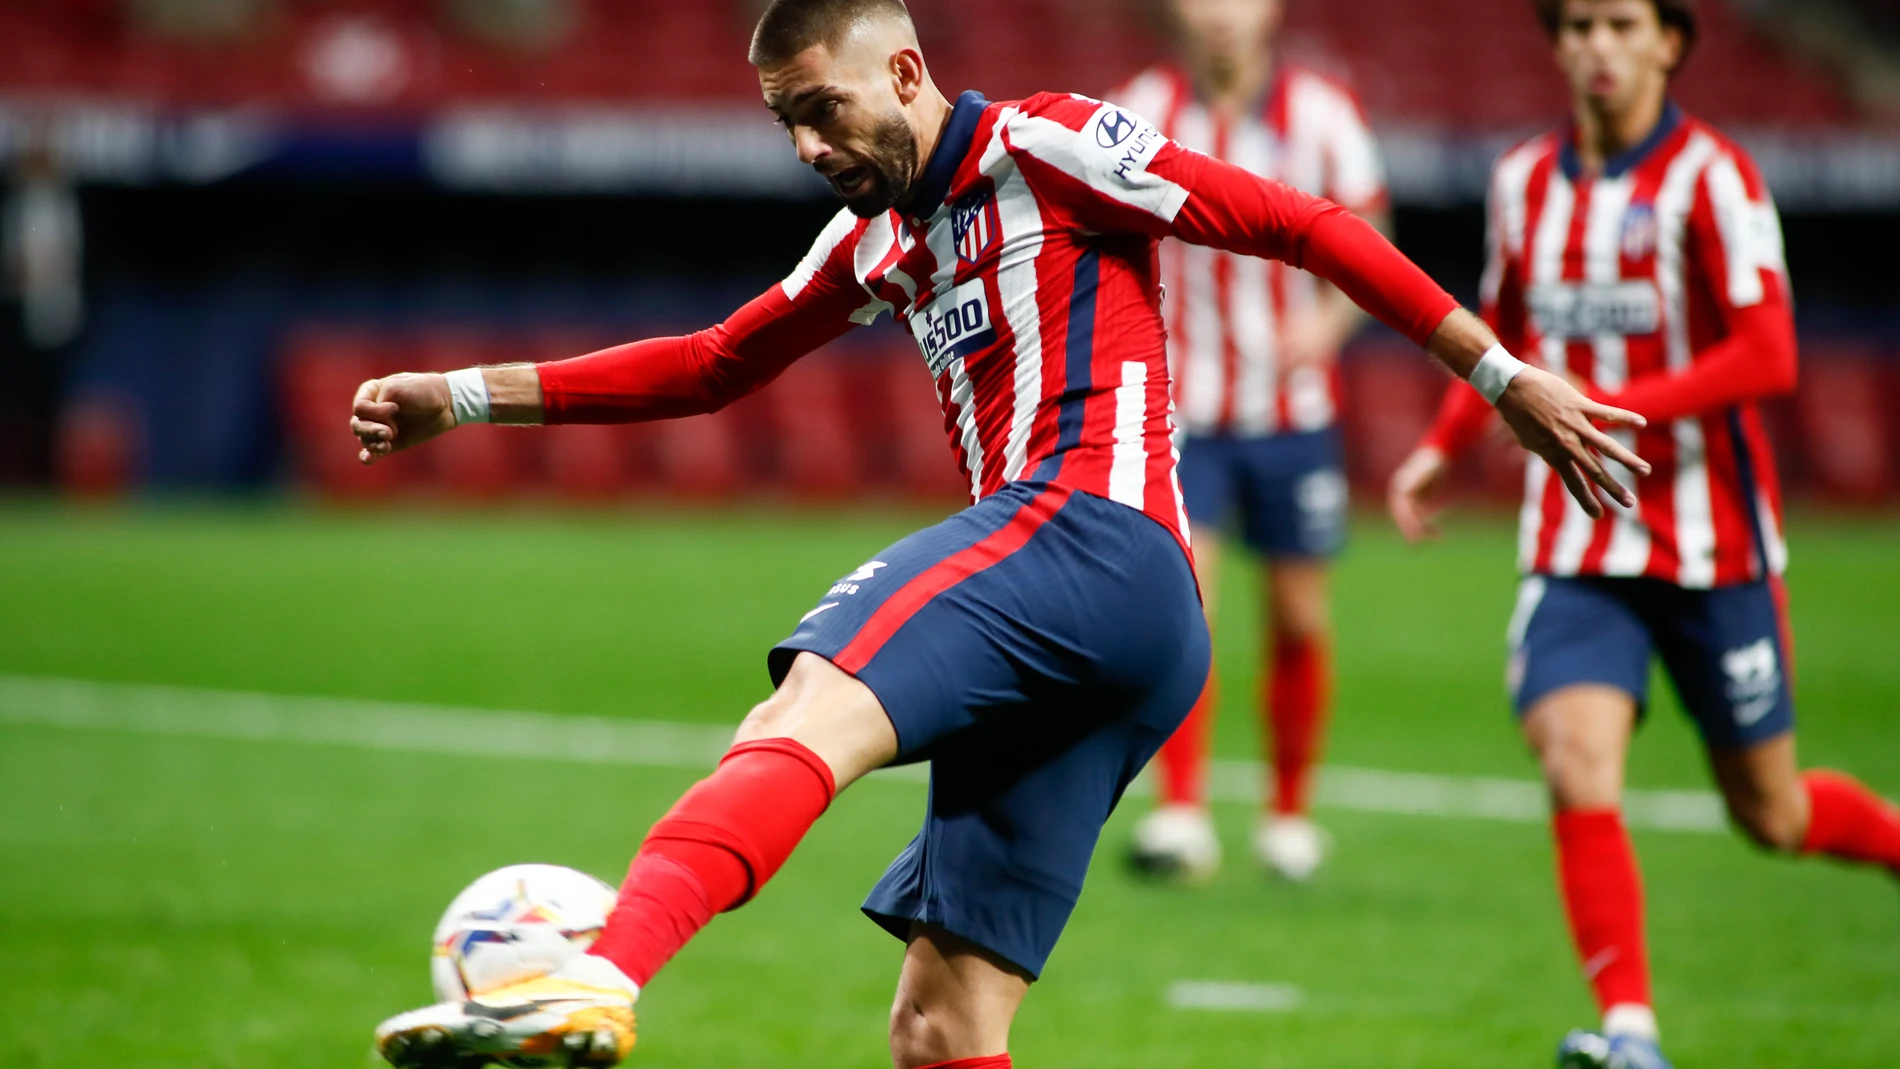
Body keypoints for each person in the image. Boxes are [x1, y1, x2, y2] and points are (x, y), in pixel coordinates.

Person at [356, 1, 1646, 1066]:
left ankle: (597, 978)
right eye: (784, 123)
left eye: (823, 108)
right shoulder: (873, 237)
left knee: (804, 715)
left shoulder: (1051, 143)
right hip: (1116, 639)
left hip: (1087, 530)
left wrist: (1498, 375)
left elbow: (1299, 222)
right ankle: (598, 987)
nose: (807, 145)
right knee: (942, 1022)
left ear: (905, 71)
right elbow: (709, 364)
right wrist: (460, 397)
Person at [1385, 2, 1900, 1067]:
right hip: (1578, 545)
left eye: (1621, 23)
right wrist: (1443, 440)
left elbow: (1767, 356)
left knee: (1774, 812)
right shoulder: (1522, 179)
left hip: (1713, 549)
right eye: (1575, 26)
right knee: (1577, 758)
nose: (1596, 47)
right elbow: (1508, 332)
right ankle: (1630, 1032)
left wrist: (1612, 409)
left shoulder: (1717, 179)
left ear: (1670, 41)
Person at [1111, 0, 1389, 883]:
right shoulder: (1138, 106)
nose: (1220, 15)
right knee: (1185, 611)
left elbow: (1370, 236)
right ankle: (1182, 812)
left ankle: (1289, 814)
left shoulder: (1322, 113)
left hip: (1293, 412)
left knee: (1300, 615)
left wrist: (1329, 324)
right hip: (1182, 413)